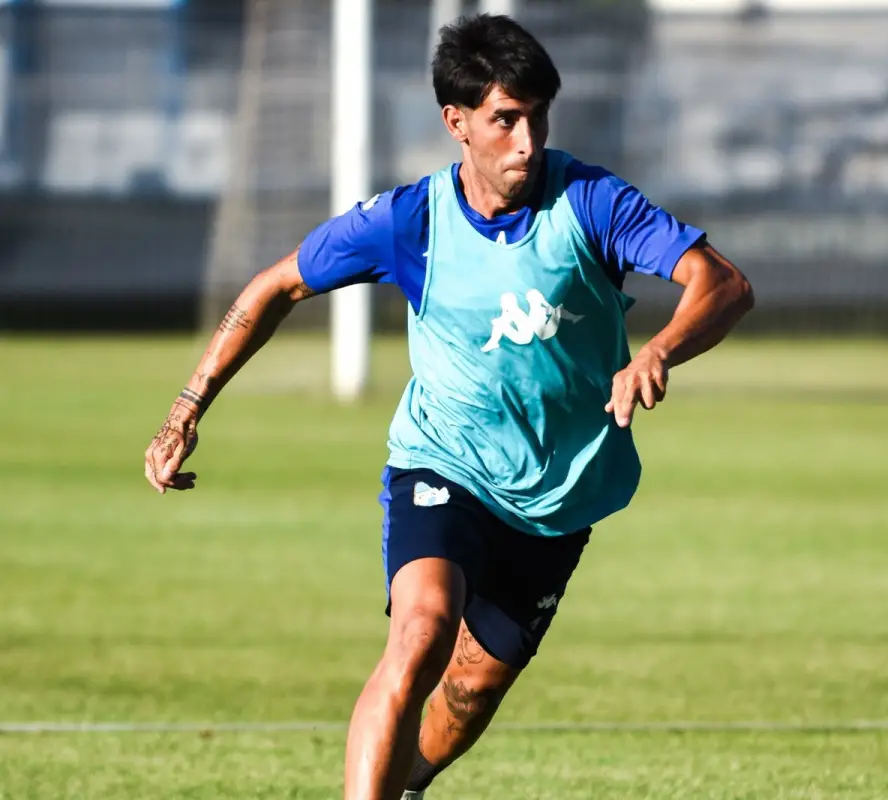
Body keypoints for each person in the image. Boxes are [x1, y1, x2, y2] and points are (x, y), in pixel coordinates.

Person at [143, 13, 754, 800]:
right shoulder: (411, 221)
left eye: (538, 117)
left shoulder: (591, 201)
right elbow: (276, 286)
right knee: (422, 632)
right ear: (456, 122)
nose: (528, 142)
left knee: (470, 691)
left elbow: (722, 282)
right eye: (506, 120)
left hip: (559, 495)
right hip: (445, 464)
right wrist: (187, 406)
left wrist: (660, 348)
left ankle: (405, 784)